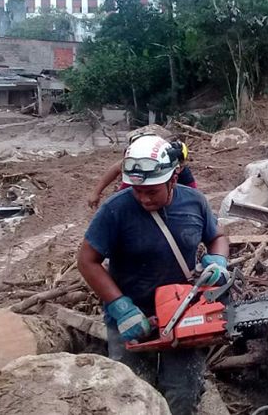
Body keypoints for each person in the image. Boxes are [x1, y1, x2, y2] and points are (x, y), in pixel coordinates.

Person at [77, 135, 229, 415]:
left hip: (182, 312)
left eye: (152, 191)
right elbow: (87, 260)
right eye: (138, 191)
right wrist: (120, 307)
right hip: (130, 316)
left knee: (183, 395)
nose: (143, 198)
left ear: (173, 179)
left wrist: (218, 260)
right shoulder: (115, 210)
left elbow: (217, 235)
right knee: (131, 397)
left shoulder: (194, 202)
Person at [87, 131, 197, 209]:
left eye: (182, 164)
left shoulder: (184, 173)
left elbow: (194, 197)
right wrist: (96, 192)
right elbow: (116, 169)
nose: (180, 166)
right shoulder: (143, 165)